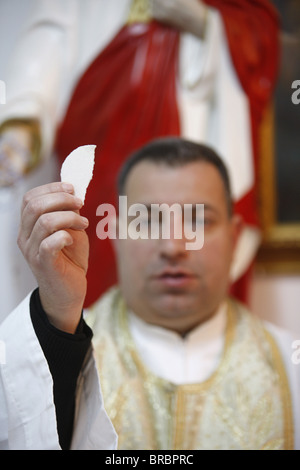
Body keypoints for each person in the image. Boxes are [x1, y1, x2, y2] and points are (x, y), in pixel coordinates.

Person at [0, 137, 299, 450]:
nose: (172, 247)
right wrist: (57, 318)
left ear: (234, 237)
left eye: (198, 220)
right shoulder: (58, 352)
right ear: (115, 235)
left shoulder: (291, 368)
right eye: (146, 221)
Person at [0, 0, 280, 317]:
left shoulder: (279, 353)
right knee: (97, 242)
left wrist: (207, 23)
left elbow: (259, 32)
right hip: (104, 105)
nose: (172, 247)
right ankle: (99, 349)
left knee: (193, 228)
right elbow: (54, 31)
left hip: (194, 100)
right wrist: (23, 119)